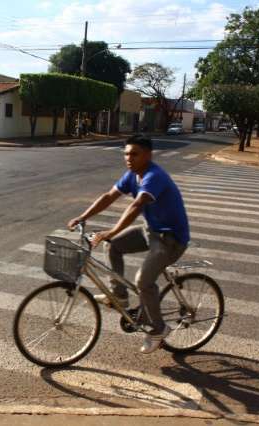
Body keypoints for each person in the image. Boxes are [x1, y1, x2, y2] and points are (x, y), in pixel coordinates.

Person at [67, 135, 190, 354]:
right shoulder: (132, 175)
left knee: (143, 281)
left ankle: (158, 329)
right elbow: (108, 196)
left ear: (148, 155)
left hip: (171, 239)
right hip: (150, 231)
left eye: (134, 153)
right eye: (126, 153)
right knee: (113, 245)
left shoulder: (154, 176)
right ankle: (120, 296)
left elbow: (136, 205)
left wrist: (111, 231)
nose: (128, 158)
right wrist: (82, 217)